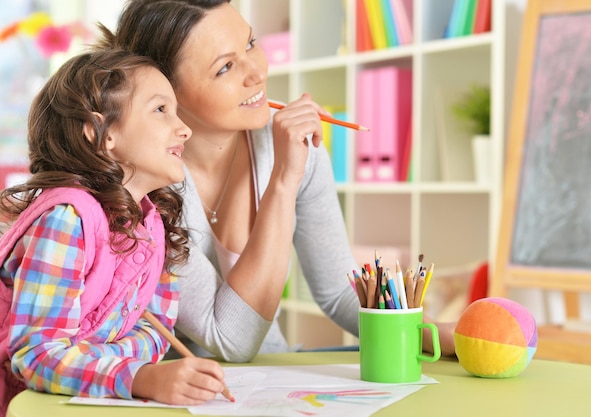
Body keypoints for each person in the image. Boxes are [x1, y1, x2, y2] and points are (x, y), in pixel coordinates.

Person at [95, 0, 457, 362]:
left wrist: (435, 333)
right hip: (184, 388)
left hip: (273, 376)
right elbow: (229, 340)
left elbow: (338, 292)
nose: (256, 73)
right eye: (225, 68)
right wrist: (284, 179)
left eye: (250, 44)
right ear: (167, 90)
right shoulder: (143, 180)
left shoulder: (290, 144)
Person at [0, 49, 230, 415]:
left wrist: (101, 361)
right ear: (100, 133)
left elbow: (156, 334)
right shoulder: (66, 219)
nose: (184, 128)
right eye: (160, 110)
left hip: (86, 402)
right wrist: (140, 377)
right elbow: (35, 355)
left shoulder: (154, 222)